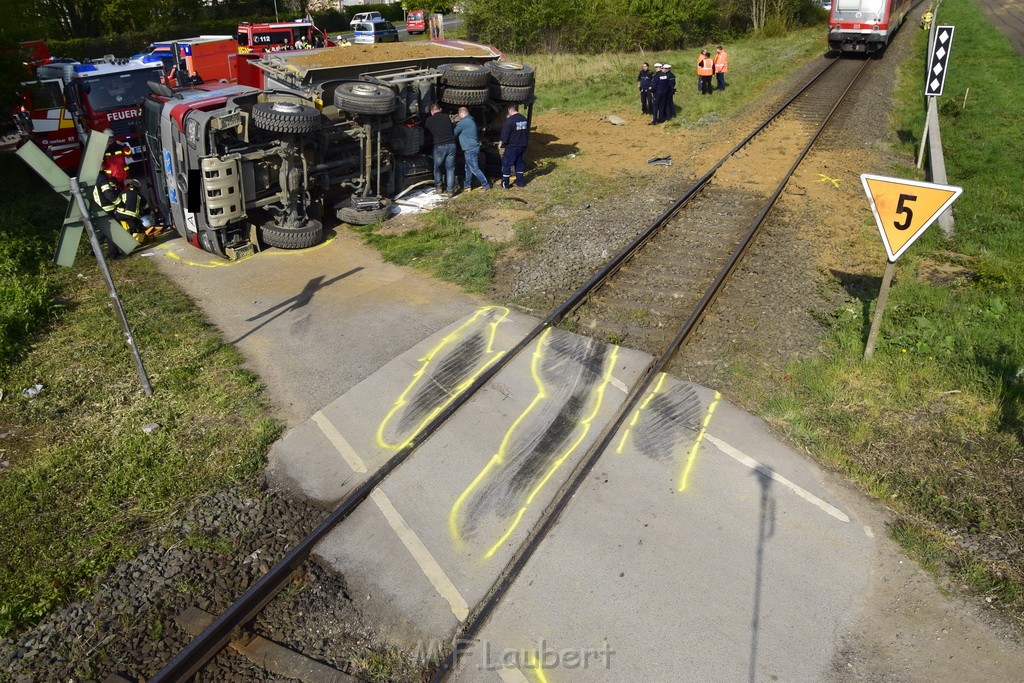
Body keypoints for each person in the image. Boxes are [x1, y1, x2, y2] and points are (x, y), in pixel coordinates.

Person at [424, 103, 457, 196]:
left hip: (439, 146)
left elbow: (426, 132)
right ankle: (450, 191)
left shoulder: (429, 120)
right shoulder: (446, 117)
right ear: (440, 109)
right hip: (451, 145)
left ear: (431, 111)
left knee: (437, 167)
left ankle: (439, 187)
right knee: (450, 168)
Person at [454, 107, 490, 191]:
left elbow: (454, 132)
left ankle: (485, 185)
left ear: (461, 113)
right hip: (473, 147)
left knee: (474, 168)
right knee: (468, 168)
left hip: (470, 149)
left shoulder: (463, 122)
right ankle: (467, 186)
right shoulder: (471, 120)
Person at [498, 103, 528, 188]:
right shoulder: (524, 119)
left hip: (512, 147)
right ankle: (520, 182)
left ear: (509, 110)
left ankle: (505, 184)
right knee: (519, 164)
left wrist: (500, 143)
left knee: (507, 164)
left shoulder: (510, 120)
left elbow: (505, 135)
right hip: (522, 145)